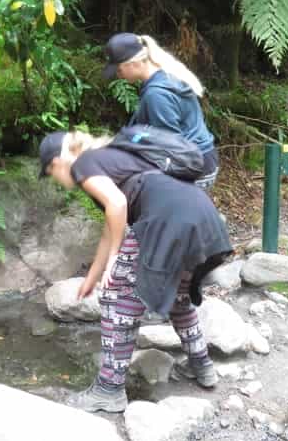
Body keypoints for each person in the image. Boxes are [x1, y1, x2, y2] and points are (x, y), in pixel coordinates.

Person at [38, 129, 232, 412]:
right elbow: (111, 225)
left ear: (57, 162)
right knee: (179, 296)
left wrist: (116, 259)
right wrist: (92, 276)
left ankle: (108, 389)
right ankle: (201, 365)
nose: (56, 179)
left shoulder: (83, 163)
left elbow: (118, 205)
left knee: (117, 298)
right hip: (201, 217)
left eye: (50, 172)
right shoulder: (115, 157)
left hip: (167, 221)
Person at [102, 33, 220, 191]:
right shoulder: (165, 75)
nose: (118, 75)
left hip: (194, 166)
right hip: (202, 159)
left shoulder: (157, 94)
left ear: (134, 63)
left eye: (118, 69)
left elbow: (170, 147)